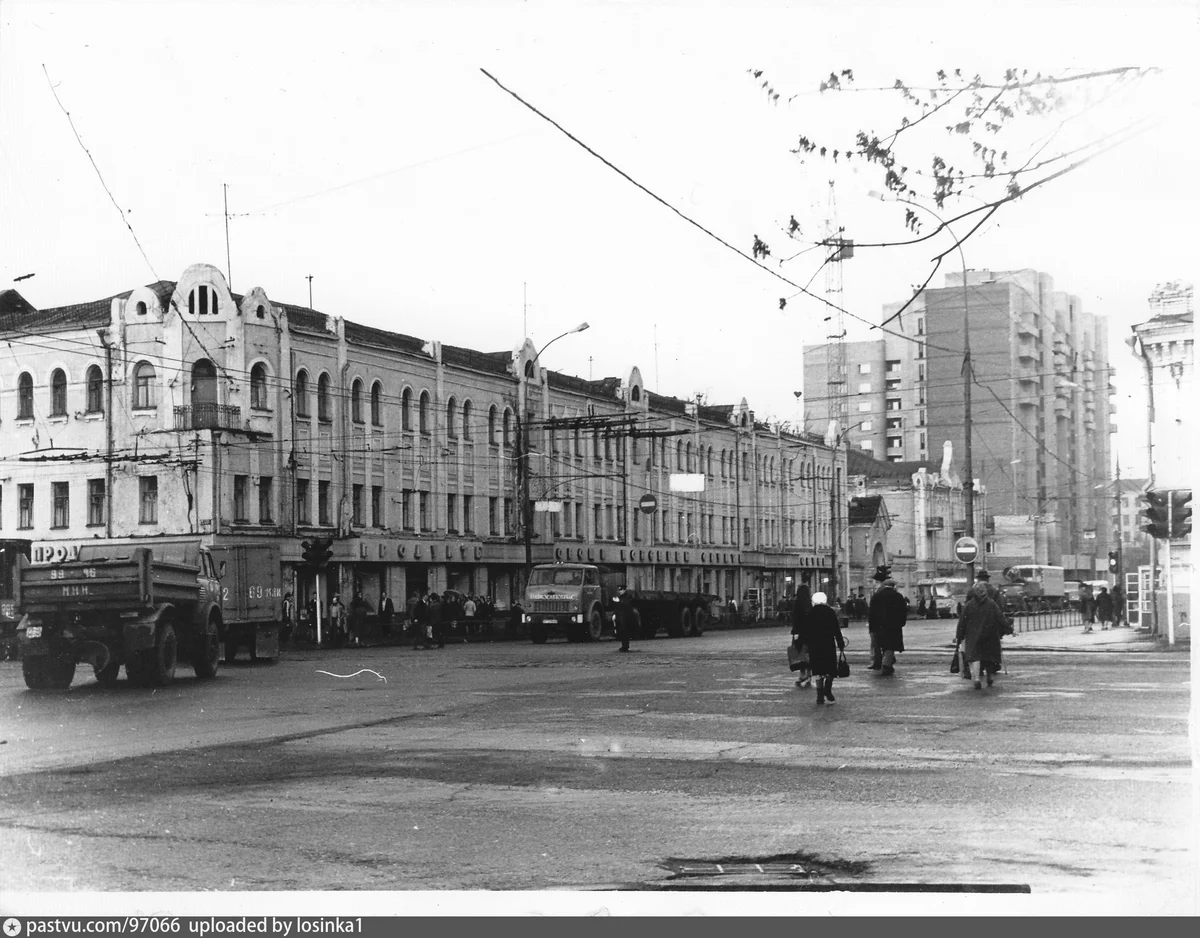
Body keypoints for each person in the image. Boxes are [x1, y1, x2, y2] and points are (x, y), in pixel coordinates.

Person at [955, 580, 1010, 690]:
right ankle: (989, 676)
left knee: (975, 657)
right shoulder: (991, 604)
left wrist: (959, 636)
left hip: (973, 636)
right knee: (989, 657)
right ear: (985, 592)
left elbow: (962, 622)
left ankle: (976, 680)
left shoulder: (969, 605)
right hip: (990, 635)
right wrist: (1010, 629)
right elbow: (1000, 618)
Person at [867, 566, 908, 676]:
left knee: (881, 645)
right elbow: (903, 612)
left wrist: (872, 626)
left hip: (879, 627)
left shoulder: (877, 596)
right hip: (894, 627)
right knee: (890, 645)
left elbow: (872, 613)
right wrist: (901, 623)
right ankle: (886, 664)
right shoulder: (898, 596)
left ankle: (882, 662)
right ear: (893, 586)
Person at [807, 592, 845, 705]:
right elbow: (836, 629)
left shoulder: (810, 613)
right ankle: (827, 689)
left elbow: (806, 630)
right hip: (828, 643)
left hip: (814, 645)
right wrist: (840, 642)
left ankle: (819, 696)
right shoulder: (830, 612)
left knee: (818, 670)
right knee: (830, 669)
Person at [789, 584, 813, 687]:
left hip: (800, 633)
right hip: (810, 633)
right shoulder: (810, 604)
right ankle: (809, 674)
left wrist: (794, 630)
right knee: (808, 653)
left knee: (800, 654)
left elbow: (796, 618)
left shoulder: (797, 603)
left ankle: (802, 674)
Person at [612, 585, 636, 652]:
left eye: (621, 590)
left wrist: (618, 601)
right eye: (619, 590)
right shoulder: (620, 597)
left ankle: (625, 646)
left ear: (625, 590)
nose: (620, 591)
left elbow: (627, 604)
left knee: (625, 631)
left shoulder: (628, 596)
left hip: (627, 617)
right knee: (621, 631)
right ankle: (624, 645)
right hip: (620, 617)